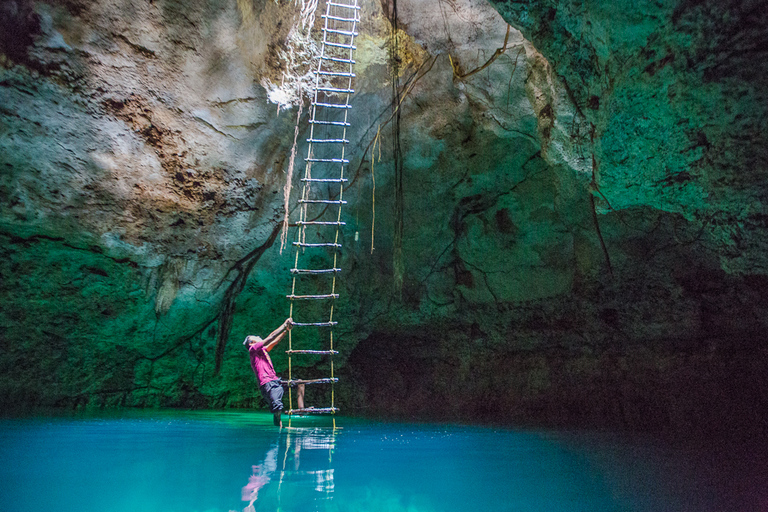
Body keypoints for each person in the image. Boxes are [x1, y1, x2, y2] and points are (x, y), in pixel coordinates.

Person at [244, 318, 293, 427]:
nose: (258, 336)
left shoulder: (262, 351)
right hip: (267, 382)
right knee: (277, 407)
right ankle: (279, 429)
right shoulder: (253, 349)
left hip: (274, 380)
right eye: (255, 337)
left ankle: (301, 411)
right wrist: (284, 325)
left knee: (297, 383)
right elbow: (271, 337)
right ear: (251, 343)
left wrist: (286, 331)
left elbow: (274, 341)